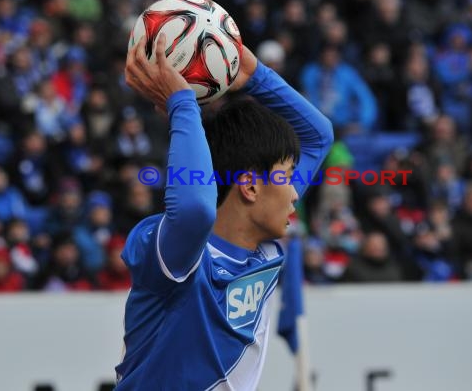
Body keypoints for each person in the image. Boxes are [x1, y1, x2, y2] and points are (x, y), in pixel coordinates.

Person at [114, 34, 333, 389]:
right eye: (288, 177)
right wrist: (182, 104)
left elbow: (319, 137)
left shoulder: (261, 244)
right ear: (249, 187)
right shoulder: (180, 254)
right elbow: (195, 211)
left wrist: (255, 76)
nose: (296, 193)